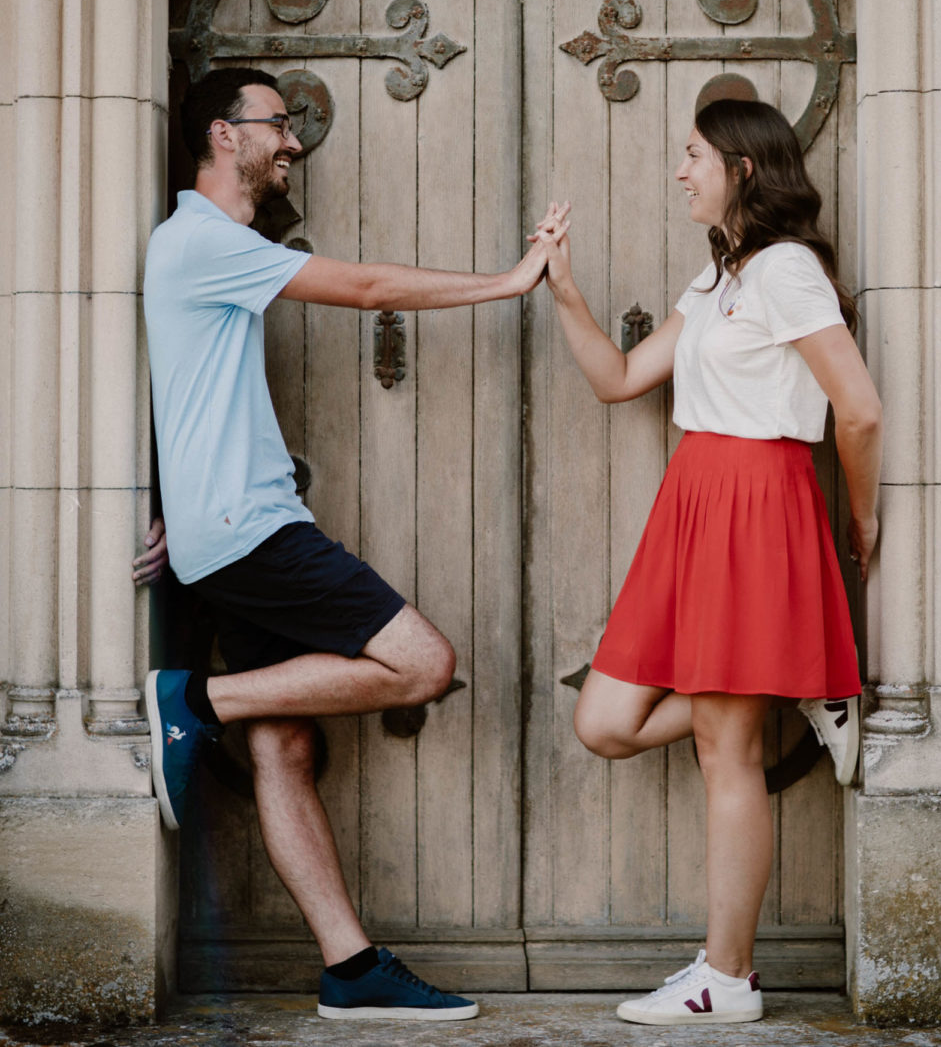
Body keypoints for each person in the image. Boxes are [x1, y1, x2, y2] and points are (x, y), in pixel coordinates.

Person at [133, 65, 568, 1023]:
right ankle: (188, 702)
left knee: (283, 743)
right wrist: (508, 280)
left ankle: (351, 968)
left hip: (227, 530)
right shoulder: (201, 240)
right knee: (421, 663)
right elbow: (367, 285)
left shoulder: (206, 247)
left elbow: (180, 390)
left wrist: (174, 497)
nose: (291, 142)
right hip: (252, 535)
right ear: (221, 134)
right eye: (275, 124)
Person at [531, 98, 881, 1027]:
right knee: (603, 720)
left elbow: (859, 408)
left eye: (692, 156)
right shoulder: (721, 278)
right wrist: (562, 286)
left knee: (724, 754)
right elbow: (617, 381)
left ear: (743, 167)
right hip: (693, 502)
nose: (679, 172)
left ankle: (724, 979)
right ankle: (806, 682)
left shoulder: (787, 272)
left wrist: (861, 515)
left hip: (756, 502)